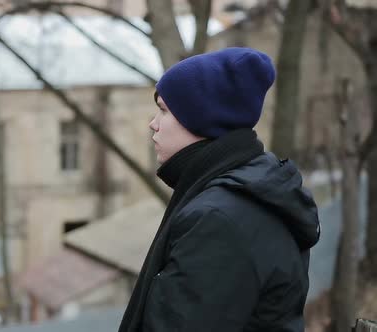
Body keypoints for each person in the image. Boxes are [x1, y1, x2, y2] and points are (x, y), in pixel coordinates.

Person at [118, 47, 321, 332]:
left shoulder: (218, 220)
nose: (153, 124)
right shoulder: (245, 192)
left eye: (163, 109)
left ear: (201, 118)